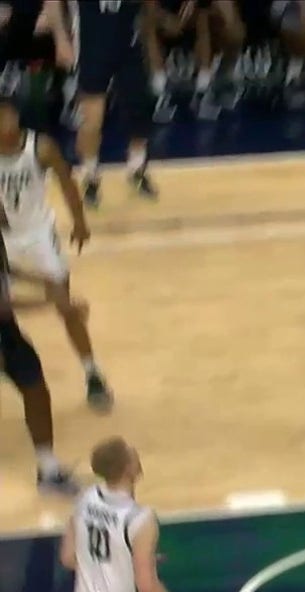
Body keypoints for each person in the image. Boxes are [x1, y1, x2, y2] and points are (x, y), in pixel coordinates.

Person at [61, 437, 224, 592]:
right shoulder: (139, 519)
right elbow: (147, 587)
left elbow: (69, 558)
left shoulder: (84, 500)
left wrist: (125, 560)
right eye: (133, 453)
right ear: (129, 468)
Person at [0, 93, 112, 411]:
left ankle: (92, 373)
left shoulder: (41, 147)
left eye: (6, 115)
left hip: (37, 237)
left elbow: (66, 182)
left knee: (65, 306)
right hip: (3, 240)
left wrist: (79, 222)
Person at [1, 231, 81, 495]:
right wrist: (53, 301)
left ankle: (48, 469)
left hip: (5, 332)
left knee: (35, 388)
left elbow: (6, 269)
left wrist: (42, 280)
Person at [70, 0, 160, 207]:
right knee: (92, 120)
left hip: (128, 42)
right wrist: (62, 39)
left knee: (140, 107)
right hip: (93, 43)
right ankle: (90, 177)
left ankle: (136, 169)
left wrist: (148, 33)